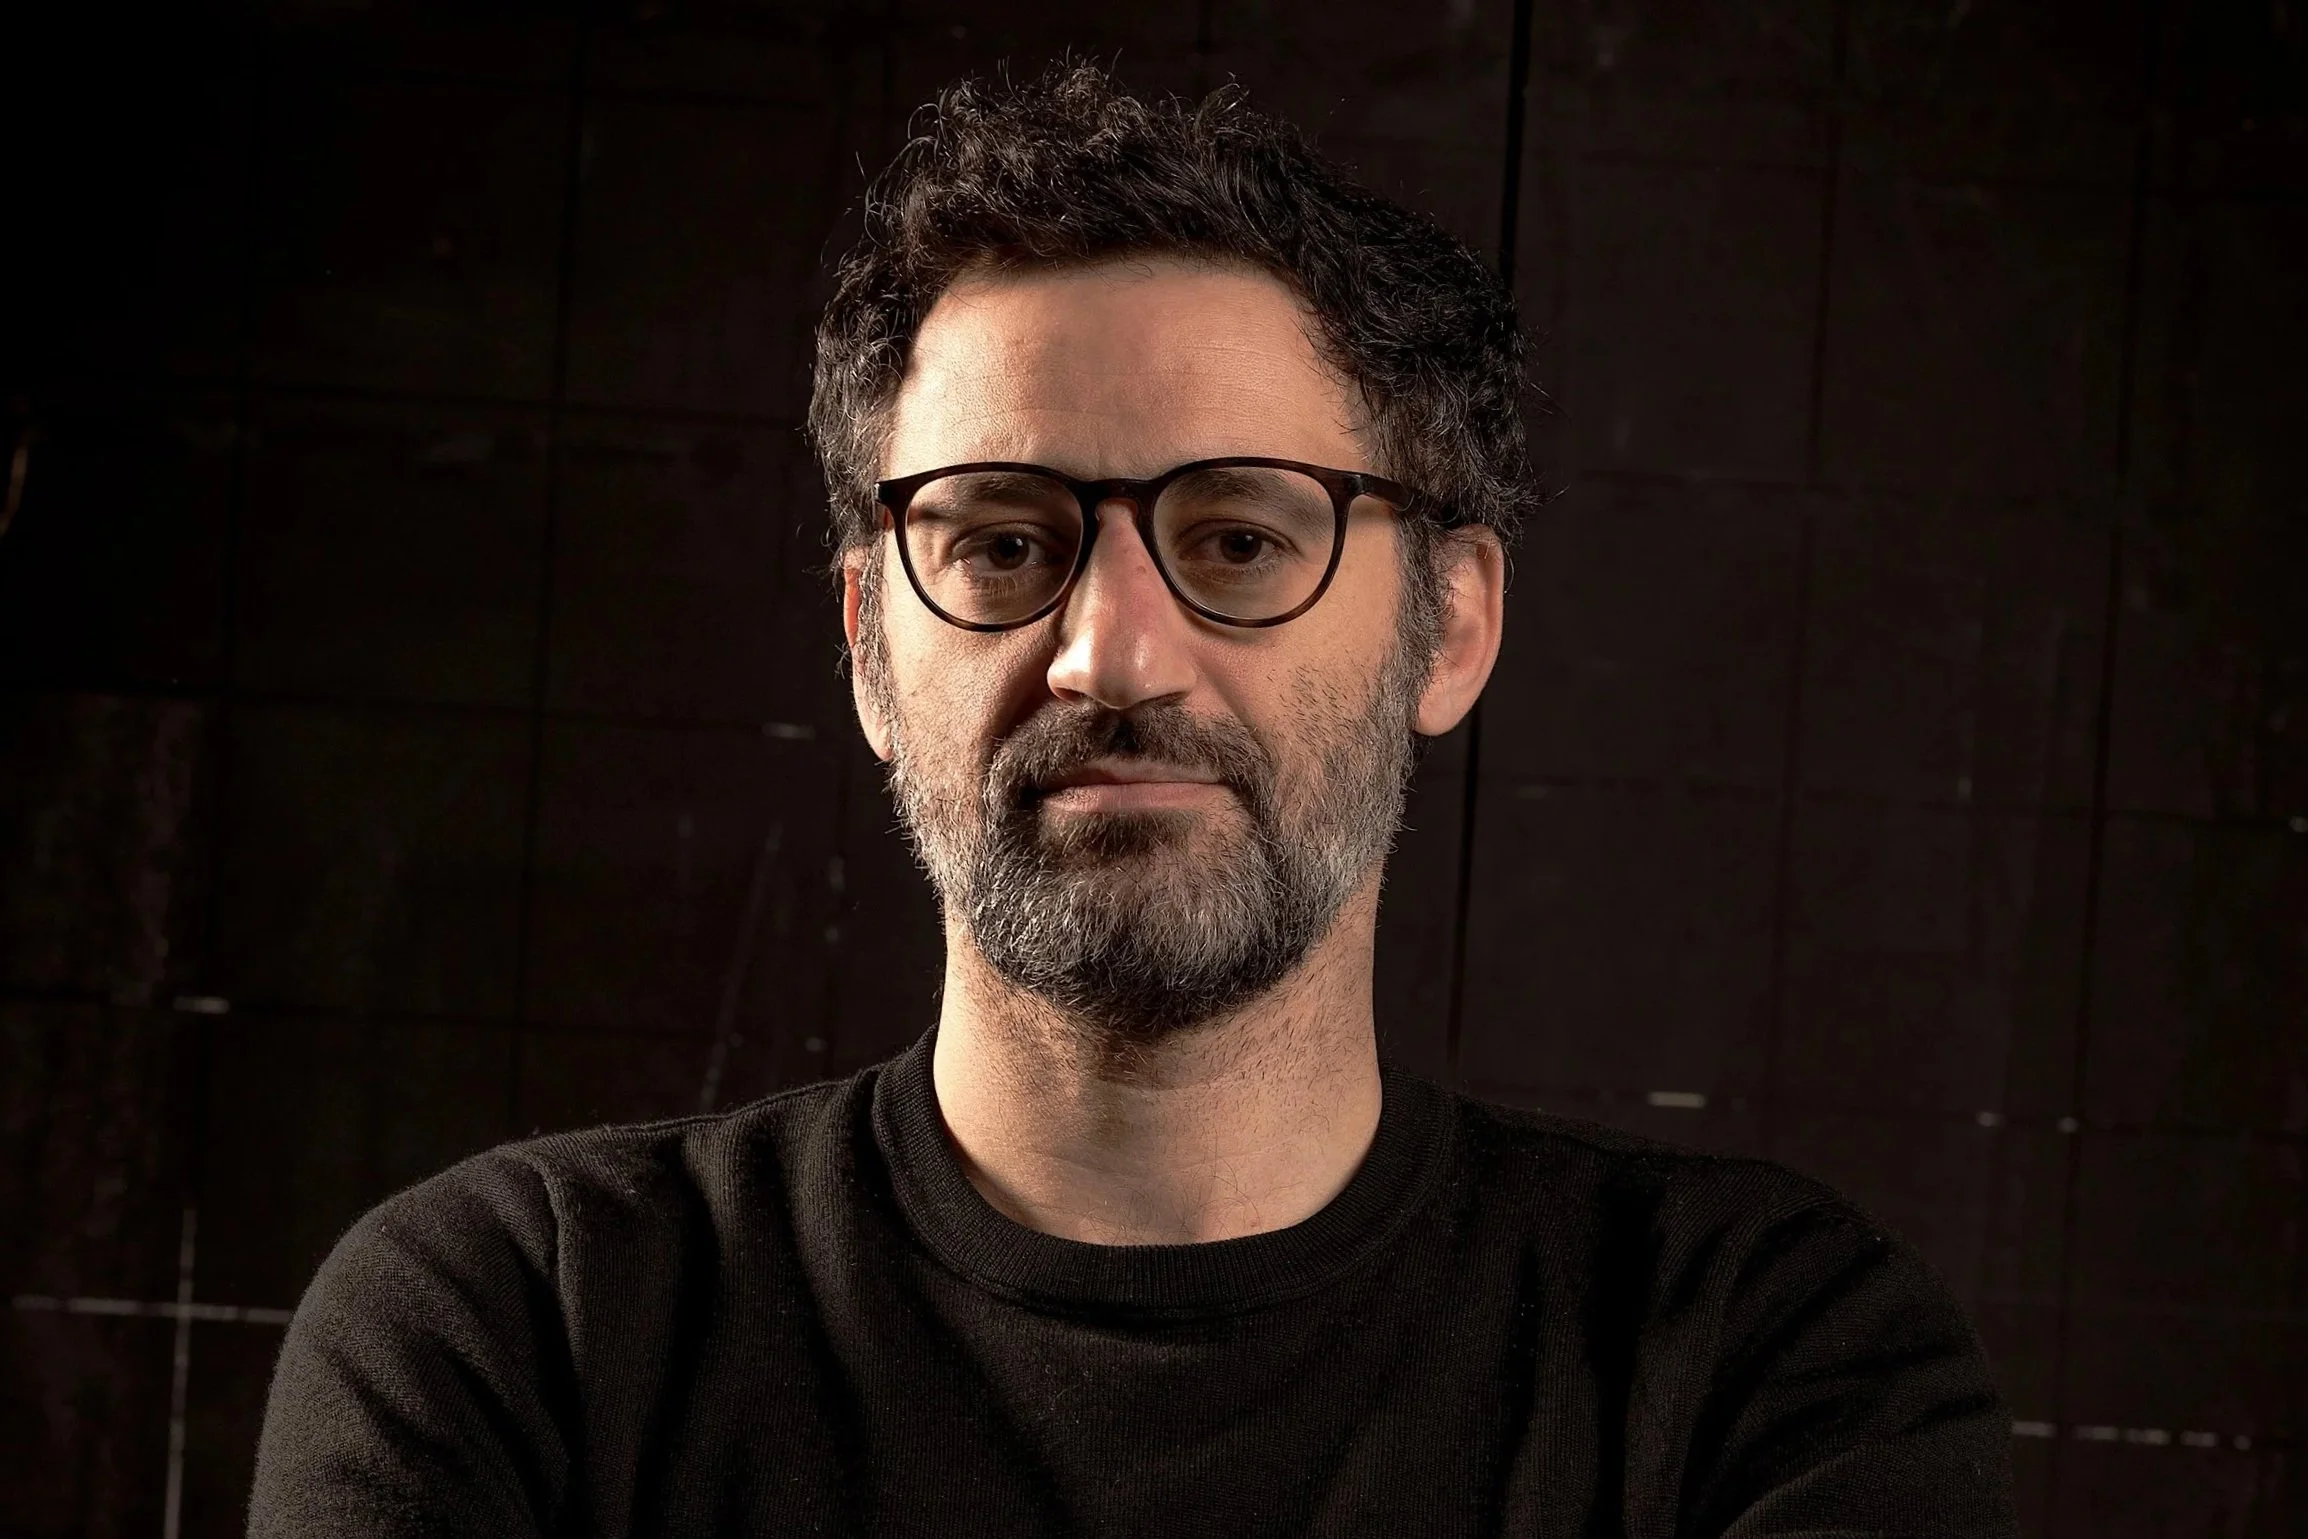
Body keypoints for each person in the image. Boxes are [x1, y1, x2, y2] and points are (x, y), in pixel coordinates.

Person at [249, 64, 2016, 1537]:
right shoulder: (518, 1333)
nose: (1108, 652)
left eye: (1239, 536)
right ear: (870, 643)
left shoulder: (1762, 1369)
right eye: (1003, 541)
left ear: (1450, 624)